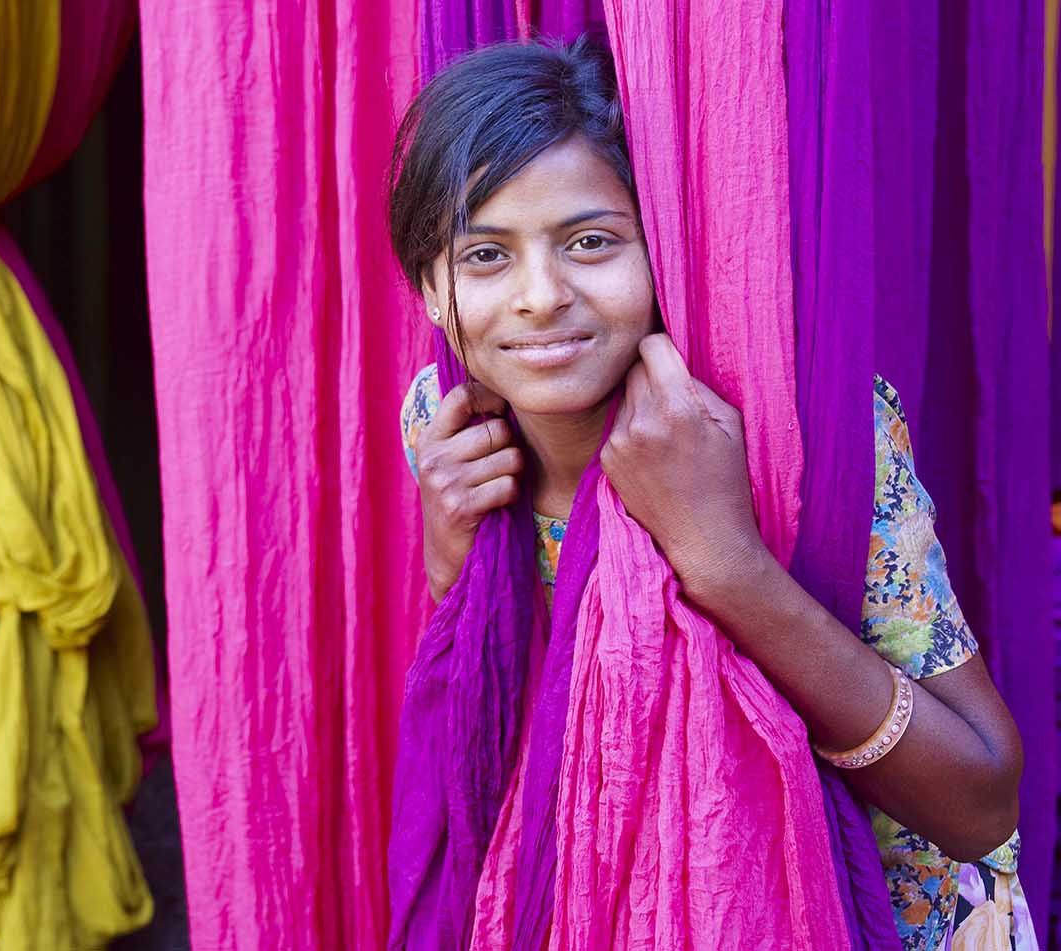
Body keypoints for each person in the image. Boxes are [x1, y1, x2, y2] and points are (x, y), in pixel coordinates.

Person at [389, 38, 1031, 947]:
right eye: (485, 255)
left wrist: (730, 565)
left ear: (665, 255)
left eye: (591, 241)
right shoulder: (445, 424)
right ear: (430, 291)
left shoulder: (792, 436)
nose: (541, 296)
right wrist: (451, 571)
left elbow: (979, 801)